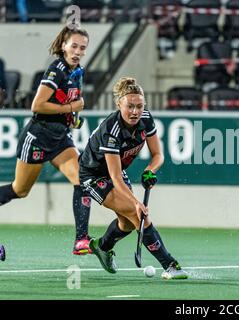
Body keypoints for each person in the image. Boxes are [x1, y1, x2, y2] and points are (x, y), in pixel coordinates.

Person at [80, 77, 188, 280]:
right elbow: (113, 176)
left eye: (139, 106)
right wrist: (136, 202)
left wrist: (149, 171)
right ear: (119, 104)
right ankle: (170, 265)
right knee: (137, 214)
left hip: (116, 172)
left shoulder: (146, 119)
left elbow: (158, 156)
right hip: (93, 175)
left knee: (129, 224)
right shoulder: (112, 130)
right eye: (130, 106)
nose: (135, 111)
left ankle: (101, 246)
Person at [0, 26, 93, 255]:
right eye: (74, 46)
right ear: (64, 45)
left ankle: (81, 241)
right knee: (20, 190)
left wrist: (72, 117)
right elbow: (37, 105)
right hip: (38, 137)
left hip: (60, 137)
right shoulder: (57, 69)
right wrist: (72, 107)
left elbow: (66, 105)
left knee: (83, 181)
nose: (78, 51)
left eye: (82, 48)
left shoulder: (77, 71)